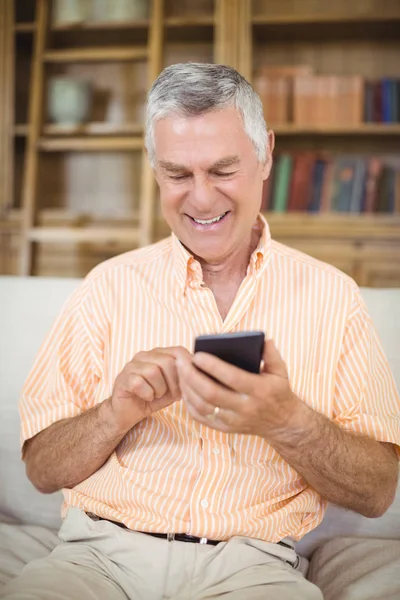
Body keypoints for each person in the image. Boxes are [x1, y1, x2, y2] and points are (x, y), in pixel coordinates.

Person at [2, 63, 399, 600]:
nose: (202, 199)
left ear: (265, 157)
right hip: (97, 559)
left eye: (223, 170)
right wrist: (115, 413)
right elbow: (42, 471)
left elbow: (378, 492)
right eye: (178, 174)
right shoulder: (107, 287)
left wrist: (288, 422)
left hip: (251, 567)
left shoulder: (334, 297)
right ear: (154, 169)